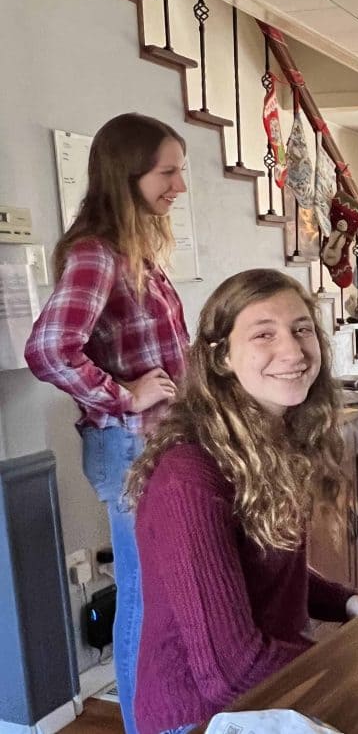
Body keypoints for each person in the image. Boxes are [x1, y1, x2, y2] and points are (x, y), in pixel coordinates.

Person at [124, 269, 358, 734]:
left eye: (302, 329)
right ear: (221, 357)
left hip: (263, 694)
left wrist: (353, 604)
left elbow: (267, 563)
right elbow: (230, 671)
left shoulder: (274, 441)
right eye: (264, 334)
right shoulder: (190, 477)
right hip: (198, 716)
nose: (294, 351)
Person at [24, 113, 190, 734]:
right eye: (167, 172)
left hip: (152, 443)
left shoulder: (135, 249)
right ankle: (150, 725)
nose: (179, 185)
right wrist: (125, 395)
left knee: (162, 590)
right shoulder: (97, 254)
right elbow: (47, 350)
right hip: (128, 446)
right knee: (147, 599)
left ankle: (165, 716)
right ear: (128, 176)